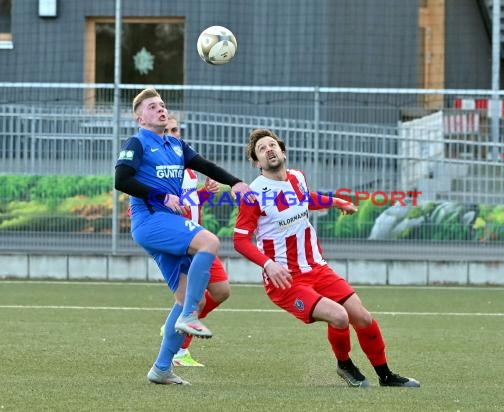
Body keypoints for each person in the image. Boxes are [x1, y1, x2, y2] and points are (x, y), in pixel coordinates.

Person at [233, 128, 420, 388]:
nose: (269, 150)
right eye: (262, 149)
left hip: (317, 268)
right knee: (340, 316)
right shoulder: (253, 194)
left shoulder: (297, 177)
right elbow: (240, 240)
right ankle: (344, 365)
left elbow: (305, 199)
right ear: (256, 162)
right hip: (285, 280)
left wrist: (336, 201)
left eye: (272, 145)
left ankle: (386, 376)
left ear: (283, 151)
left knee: (363, 318)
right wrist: (268, 264)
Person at [115, 87, 252, 385]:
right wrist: (160, 197)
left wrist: (236, 183)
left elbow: (205, 166)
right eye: (152, 107)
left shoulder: (175, 145)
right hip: (150, 220)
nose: (160, 110)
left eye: (162, 105)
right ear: (140, 118)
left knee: (185, 296)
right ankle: (189, 315)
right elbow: (121, 180)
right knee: (210, 242)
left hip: (166, 221)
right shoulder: (137, 143)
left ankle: (162, 368)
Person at [162, 115, 231, 368]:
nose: (171, 133)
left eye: (175, 129)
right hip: (181, 243)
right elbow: (149, 205)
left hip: (199, 238)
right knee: (196, 300)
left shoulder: (188, 166)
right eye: (166, 129)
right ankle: (179, 352)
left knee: (222, 291)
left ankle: (176, 321)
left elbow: (189, 203)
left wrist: (203, 193)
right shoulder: (159, 169)